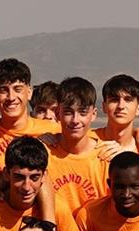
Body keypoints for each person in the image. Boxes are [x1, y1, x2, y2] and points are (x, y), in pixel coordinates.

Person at [0, 58, 60, 170]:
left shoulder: (54, 131)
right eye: (3, 90)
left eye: (18, 89)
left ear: (29, 92)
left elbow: (87, 140)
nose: (11, 97)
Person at [46, 76, 112, 213]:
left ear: (93, 114)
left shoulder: (106, 157)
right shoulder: (44, 153)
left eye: (82, 112)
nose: (75, 120)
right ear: (58, 114)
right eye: (69, 112)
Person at [98, 73, 139, 151]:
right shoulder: (87, 142)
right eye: (114, 100)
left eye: (128, 100)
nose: (121, 106)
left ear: (138, 109)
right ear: (104, 106)